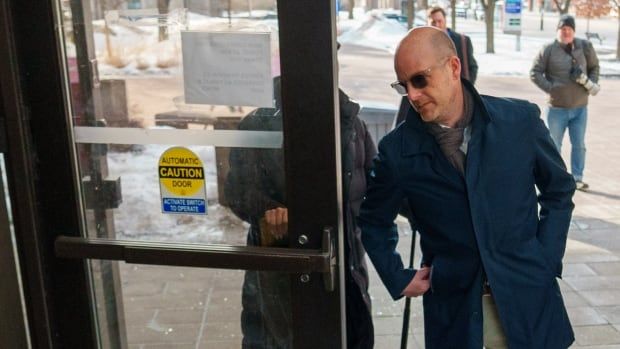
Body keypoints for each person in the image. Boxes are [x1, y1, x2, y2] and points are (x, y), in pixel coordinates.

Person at [358, 26, 576, 348]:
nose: (412, 95)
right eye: (403, 86)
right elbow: (374, 220)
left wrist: (545, 256)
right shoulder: (397, 151)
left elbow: (559, 190)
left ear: (454, 67)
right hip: (456, 317)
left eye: (420, 79)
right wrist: (397, 275)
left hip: (529, 305)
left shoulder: (519, 121)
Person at [225, 75, 377, 348]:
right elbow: (238, 191)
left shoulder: (350, 122)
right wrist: (271, 212)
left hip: (344, 267)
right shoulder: (258, 124)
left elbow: (373, 187)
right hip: (282, 275)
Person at [530, 14, 600, 191]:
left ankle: (577, 178)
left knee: (579, 145)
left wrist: (589, 82)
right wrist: (551, 88)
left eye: (569, 29)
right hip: (557, 109)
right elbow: (535, 72)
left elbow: (594, 67)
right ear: (558, 30)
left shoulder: (585, 47)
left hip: (580, 108)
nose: (566, 32)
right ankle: (555, 178)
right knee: (553, 146)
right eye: (563, 29)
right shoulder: (548, 49)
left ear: (574, 31)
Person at [428, 6, 478, 84]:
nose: (436, 25)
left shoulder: (463, 41)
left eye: (439, 21)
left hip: (458, 91)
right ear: (428, 23)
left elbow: (472, 67)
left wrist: (467, 88)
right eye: (433, 22)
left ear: (445, 20)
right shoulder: (422, 44)